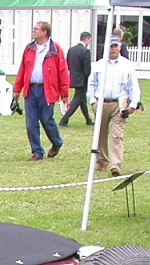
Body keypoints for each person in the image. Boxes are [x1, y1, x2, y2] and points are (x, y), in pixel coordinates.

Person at [13, 20, 69, 161]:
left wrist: (65, 94)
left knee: (47, 120)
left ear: (45, 32)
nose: (34, 31)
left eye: (36, 29)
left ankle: (56, 142)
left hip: (47, 90)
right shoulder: (30, 48)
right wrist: (17, 89)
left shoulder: (55, 49)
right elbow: (23, 70)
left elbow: (63, 72)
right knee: (31, 122)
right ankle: (37, 152)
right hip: (31, 89)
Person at [88, 37, 141, 176]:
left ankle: (115, 164)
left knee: (117, 135)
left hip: (119, 104)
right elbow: (92, 84)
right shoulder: (98, 65)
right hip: (101, 103)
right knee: (101, 133)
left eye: (116, 46)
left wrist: (133, 105)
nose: (113, 49)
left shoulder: (127, 65)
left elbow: (134, 86)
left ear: (120, 47)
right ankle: (102, 161)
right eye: (111, 46)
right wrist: (93, 102)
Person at [60, 32, 93, 126]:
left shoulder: (71, 50)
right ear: (86, 39)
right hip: (82, 79)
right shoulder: (86, 51)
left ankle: (88, 119)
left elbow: (67, 64)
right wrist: (86, 77)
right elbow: (87, 69)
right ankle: (65, 119)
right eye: (89, 40)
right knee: (77, 100)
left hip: (73, 77)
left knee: (82, 100)